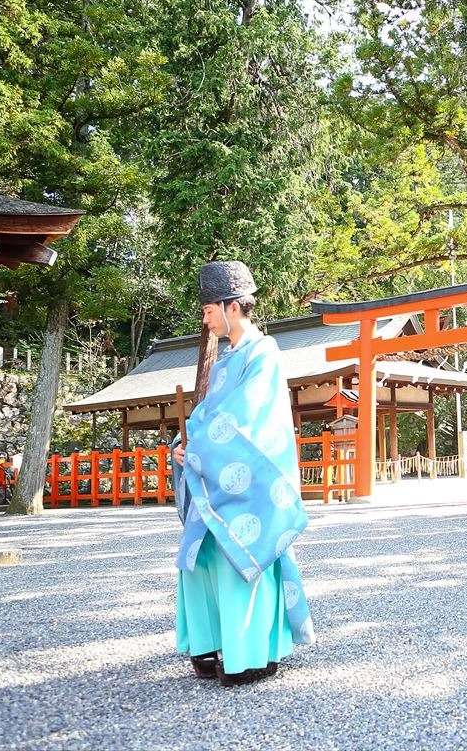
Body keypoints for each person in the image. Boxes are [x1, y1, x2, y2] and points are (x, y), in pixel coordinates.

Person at [171, 261, 314, 686]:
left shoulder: (264, 355)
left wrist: (202, 446)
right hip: (213, 470)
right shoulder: (223, 363)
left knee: (243, 557)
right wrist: (184, 445)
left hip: (252, 479)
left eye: (209, 309)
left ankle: (254, 654)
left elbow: (249, 417)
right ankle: (210, 643)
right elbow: (209, 414)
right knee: (200, 559)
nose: (205, 317)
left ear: (232, 307)